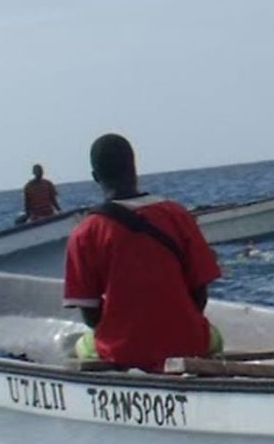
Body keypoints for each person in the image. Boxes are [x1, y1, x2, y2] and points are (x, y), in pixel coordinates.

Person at [63, 134, 223, 369]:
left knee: (78, 346)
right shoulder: (178, 215)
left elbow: (90, 316)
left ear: (96, 177)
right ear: (134, 167)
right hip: (189, 343)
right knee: (216, 338)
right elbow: (200, 294)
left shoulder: (84, 233)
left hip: (123, 351)